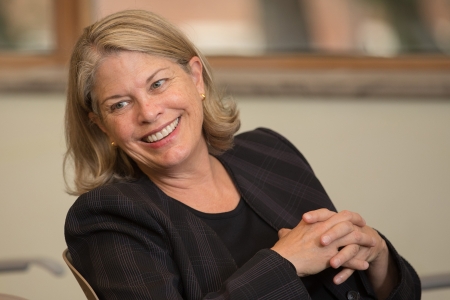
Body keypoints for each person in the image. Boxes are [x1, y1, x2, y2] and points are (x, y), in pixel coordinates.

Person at [64, 10, 420, 300]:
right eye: (120, 104)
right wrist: (284, 263)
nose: (148, 112)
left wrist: (381, 261)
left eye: (158, 84)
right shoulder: (108, 217)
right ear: (101, 126)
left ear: (196, 78)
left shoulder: (268, 152)